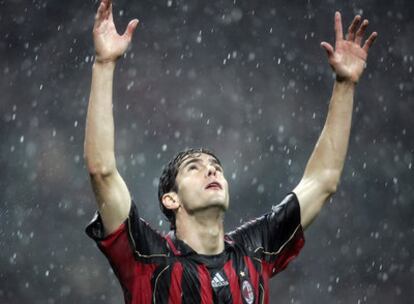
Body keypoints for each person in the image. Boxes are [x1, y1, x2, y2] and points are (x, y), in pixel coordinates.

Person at [84, 0, 377, 303]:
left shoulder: (254, 248)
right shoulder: (148, 256)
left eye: (216, 167)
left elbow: (323, 180)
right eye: (194, 167)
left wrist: (345, 84)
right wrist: (104, 64)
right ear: (171, 199)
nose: (212, 170)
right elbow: (102, 171)